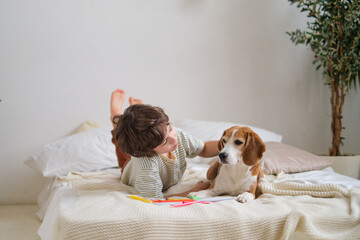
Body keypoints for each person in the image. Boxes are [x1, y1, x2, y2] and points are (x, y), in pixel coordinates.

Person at [110, 89, 219, 199]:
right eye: (165, 141)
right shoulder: (145, 168)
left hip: (150, 147)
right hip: (133, 165)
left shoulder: (177, 134)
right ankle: (116, 117)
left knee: (140, 136)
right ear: (148, 151)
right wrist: (195, 190)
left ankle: (139, 119)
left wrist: (227, 144)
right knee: (125, 152)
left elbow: (204, 148)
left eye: (170, 128)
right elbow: (157, 200)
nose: (173, 139)